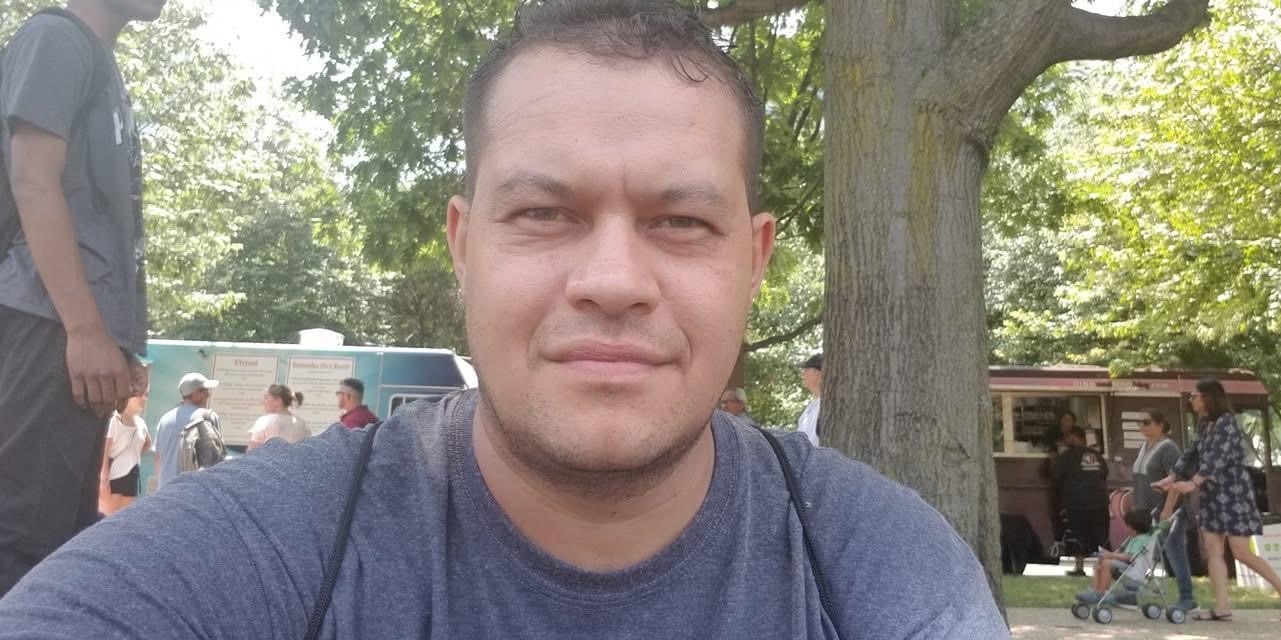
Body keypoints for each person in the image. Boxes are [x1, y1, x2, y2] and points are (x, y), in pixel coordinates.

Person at [0, 2, 1007, 636]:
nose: (613, 280)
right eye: (543, 214)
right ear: (464, 244)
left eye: (680, 221)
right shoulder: (247, 559)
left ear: (754, 261)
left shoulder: (885, 573)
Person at [0, 0, 163, 597]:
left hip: (68, 329)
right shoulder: (56, 38)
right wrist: (86, 331)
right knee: (22, 540)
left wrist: (115, 341)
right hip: (46, 321)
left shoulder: (97, 61)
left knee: (60, 541)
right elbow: (33, 180)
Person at [1155, 379, 1281, 622]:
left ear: (1208, 397)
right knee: (1213, 550)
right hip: (1212, 494)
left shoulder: (1227, 423)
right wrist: (1172, 477)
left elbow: (1218, 459)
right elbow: (1191, 452)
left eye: (1194, 396)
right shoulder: (1204, 423)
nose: (1191, 400)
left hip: (1234, 494)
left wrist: (1193, 483)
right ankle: (1222, 607)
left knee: (1241, 552)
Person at [1130, 409, 1194, 611]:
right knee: (1142, 552)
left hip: (1168, 509)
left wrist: (1167, 510)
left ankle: (1187, 597)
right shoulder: (1144, 446)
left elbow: (1177, 479)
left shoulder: (1168, 448)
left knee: (1174, 551)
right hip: (1146, 510)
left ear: (1159, 425)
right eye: (1139, 422)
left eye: (1146, 422)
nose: (1141, 426)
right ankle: (1131, 593)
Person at [1052, 427, 1108, 577]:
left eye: (1069, 436)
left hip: (1077, 501)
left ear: (1077, 438)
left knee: (1078, 535)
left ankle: (1080, 568)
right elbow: (1104, 473)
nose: (1066, 440)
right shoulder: (1096, 455)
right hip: (1099, 501)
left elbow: (1055, 474)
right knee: (1101, 535)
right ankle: (1105, 568)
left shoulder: (1067, 456)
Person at [152, 372, 219, 489]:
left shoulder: (165, 419)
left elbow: (158, 457)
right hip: (194, 490)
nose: (208, 394)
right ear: (195, 394)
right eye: (205, 391)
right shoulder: (208, 417)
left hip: (167, 489)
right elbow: (215, 459)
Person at [1075, 508, 1155, 605]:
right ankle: (1094, 590)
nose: (1126, 528)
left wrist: (1111, 555)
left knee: (1106, 563)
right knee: (1099, 563)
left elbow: (1129, 557)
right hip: (1127, 567)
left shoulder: (1141, 540)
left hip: (1133, 571)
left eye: (1127, 526)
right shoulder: (1135, 538)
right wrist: (1108, 554)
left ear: (1133, 528)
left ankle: (1101, 593)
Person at [99, 391, 152, 515]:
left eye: (146, 395)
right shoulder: (114, 418)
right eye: (140, 395)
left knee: (124, 520)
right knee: (108, 520)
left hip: (132, 477)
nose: (144, 399)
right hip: (113, 478)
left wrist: (132, 455)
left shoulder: (141, 423)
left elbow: (148, 444)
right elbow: (104, 452)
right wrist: (103, 481)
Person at [248, 384, 310, 449]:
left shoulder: (264, 421)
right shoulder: (302, 423)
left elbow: (252, 451)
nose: (262, 402)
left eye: (266, 398)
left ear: (278, 400)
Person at [796, 353, 822, 446]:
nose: (802, 374)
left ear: (818, 375)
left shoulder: (826, 406)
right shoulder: (812, 405)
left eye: (806, 370)